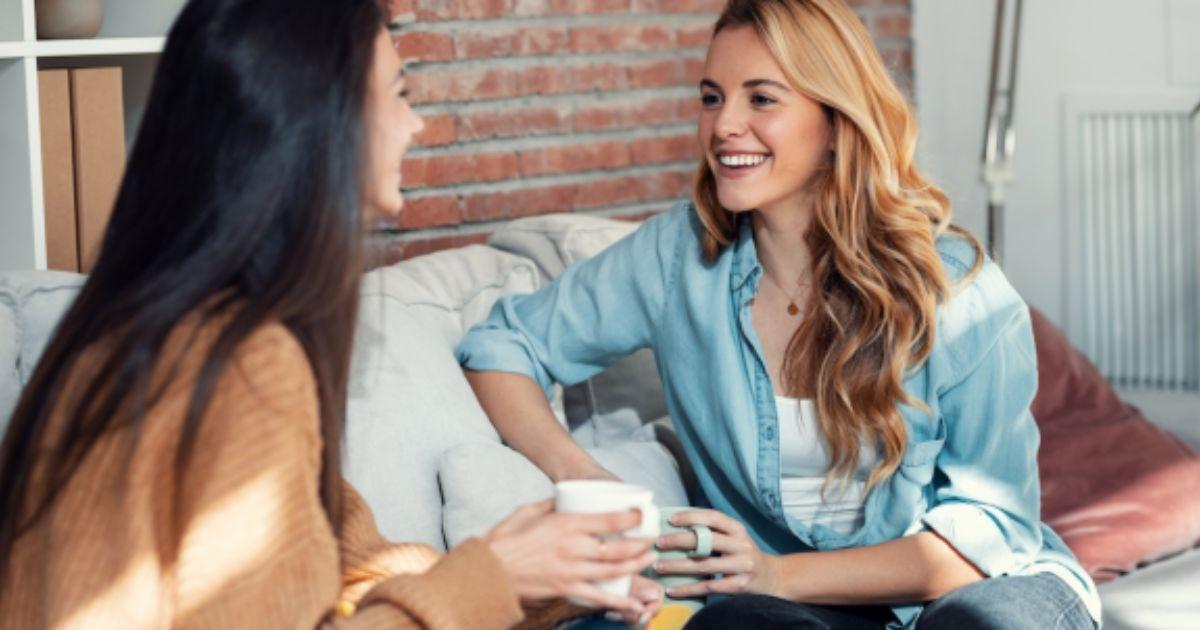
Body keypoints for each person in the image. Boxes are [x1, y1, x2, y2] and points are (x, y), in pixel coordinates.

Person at [0, 0, 661, 627]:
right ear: (325, 121)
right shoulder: (240, 360)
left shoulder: (157, 326)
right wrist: (497, 576)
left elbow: (356, 567)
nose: (417, 125)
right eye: (400, 94)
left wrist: (544, 585)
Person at [456, 0, 1100, 628]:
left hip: (982, 586)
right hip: (804, 608)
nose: (724, 125)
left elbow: (989, 533)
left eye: (761, 99)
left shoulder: (957, 286)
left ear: (835, 118)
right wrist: (589, 479)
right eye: (712, 97)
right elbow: (503, 347)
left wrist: (773, 574)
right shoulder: (674, 258)